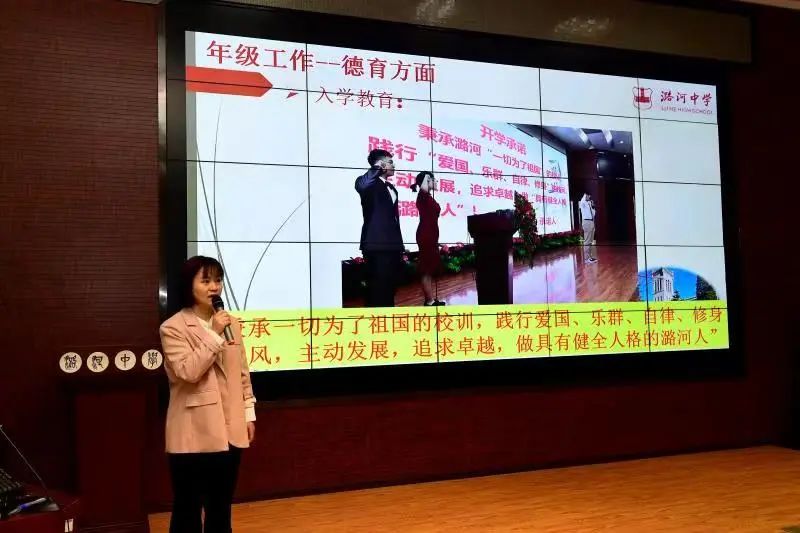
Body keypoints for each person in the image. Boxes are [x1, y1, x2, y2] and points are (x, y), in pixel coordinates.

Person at [159, 256, 256, 533]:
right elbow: (187, 371)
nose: (214, 287)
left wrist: (248, 413)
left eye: (218, 280)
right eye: (205, 281)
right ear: (189, 286)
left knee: (220, 508)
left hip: (229, 430)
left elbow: (242, 372)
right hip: (193, 432)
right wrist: (213, 334)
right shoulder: (173, 328)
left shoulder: (231, 323)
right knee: (187, 509)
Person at [355, 149, 405, 307]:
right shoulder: (367, 184)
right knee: (377, 289)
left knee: (390, 287)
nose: (393, 165)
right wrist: (376, 167)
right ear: (381, 164)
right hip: (375, 244)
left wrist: (400, 245)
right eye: (390, 162)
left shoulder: (392, 188)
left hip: (393, 245)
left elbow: (394, 219)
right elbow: (361, 185)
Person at [411, 171, 445, 306]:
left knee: (429, 269)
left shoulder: (428, 197)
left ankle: (430, 300)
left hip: (430, 235)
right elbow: (424, 187)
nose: (436, 182)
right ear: (426, 181)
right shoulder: (422, 195)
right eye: (433, 179)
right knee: (426, 269)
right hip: (425, 235)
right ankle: (429, 302)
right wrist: (426, 176)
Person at [579, 193, 597, 264]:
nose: (589, 197)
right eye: (588, 195)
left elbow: (593, 214)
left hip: (591, 222)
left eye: (589, 196)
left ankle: (589, 257)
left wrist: (592, 206)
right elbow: (583, 199)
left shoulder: (589, 204)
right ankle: (586, 259)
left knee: (590, 241)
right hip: (586, 222)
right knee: (587, 241)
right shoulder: (583, 203)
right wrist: (585, 196)